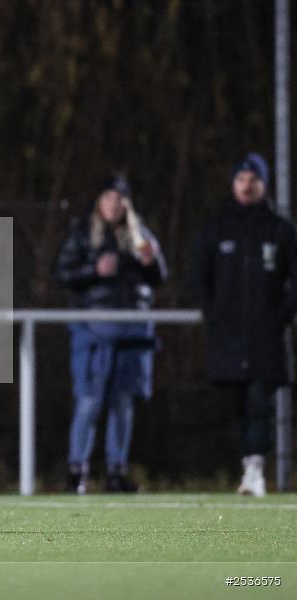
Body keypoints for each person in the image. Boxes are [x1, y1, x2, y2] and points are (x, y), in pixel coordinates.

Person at [189, 153, 297, 497]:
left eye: (253, 179)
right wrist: (212, 313)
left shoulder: (280, 230)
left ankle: (256, 468)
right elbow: (198, 276)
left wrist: (281, 315)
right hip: (227, 336)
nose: (247, 186)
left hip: (265, 335)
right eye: (241, 179)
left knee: (260, 402)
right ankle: (247, 465)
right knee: (235, 405)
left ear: (264, 184)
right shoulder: (216, 227)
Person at [54, 174, 167, 494]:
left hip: (132, 331)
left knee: (123, 403)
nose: (114, 205)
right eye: (108, 198)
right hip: (92, 330)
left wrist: (151, 262)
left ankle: (116, 472)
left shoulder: (140, 235)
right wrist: (94, 270)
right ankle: (77, 472)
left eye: (119, 199)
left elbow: (160, 276)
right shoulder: (82, 234)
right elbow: (61, 273)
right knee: (89, 401)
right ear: (99, 202)